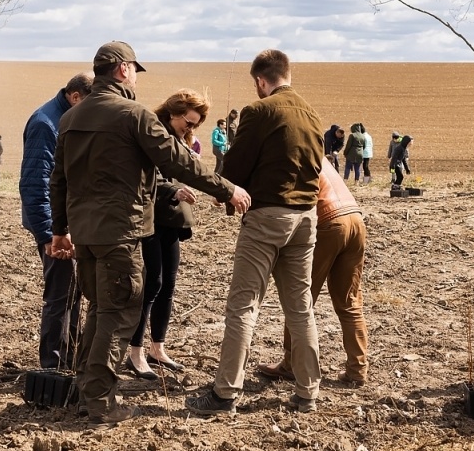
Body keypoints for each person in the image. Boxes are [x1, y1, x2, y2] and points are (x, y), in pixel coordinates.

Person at [49, 41, 249, 424]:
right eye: (135, 71)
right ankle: (101, 402)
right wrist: (228, 189)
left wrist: (60, 231)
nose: (135, 79)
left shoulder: (70, 119)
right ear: (124, 70)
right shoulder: (133, 114)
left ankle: (83, 389)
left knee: (100, 310)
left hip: (85, 234)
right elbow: (177, 161)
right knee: (123, 307)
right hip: (120, 230)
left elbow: (58, 181)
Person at [188, 49, 324, 415]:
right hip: (306, 218)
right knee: (300, 307)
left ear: (261, 81)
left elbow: (237, 163)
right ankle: (307, 392)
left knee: (244, 306)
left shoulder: (259, 111)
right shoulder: (312, 113)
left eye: (256, 85)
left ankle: (224, 394)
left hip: (267, 218)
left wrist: (226, 192)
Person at [257, 158, 369, 387]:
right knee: (350, 302)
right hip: (355, 219)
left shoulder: (291, 155)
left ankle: (290, 364)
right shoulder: (318, 153)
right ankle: (357, 370)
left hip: (328, 223)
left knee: (299, 298)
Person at [124, 89, 211, 379]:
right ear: (173, 113)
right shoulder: (154, 133)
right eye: (189, 122)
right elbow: (149, 177)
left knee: (168, 285)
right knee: (152, 284)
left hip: (173, 222)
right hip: (152, 221)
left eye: (196, 124)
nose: (192, 128)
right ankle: (134, 352)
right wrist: (174, 190)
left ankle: (156, 348)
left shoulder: (180, 139)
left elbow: (191, 169)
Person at [19, 73, 92, 369]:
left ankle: (69, 360)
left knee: (72, 293)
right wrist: (51, 235)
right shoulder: (46, 124)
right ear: (75, 97)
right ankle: (53, 366)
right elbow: (35, 185)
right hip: (54, 228)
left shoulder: (65, 119)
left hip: (68, 224)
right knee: (60, 297)